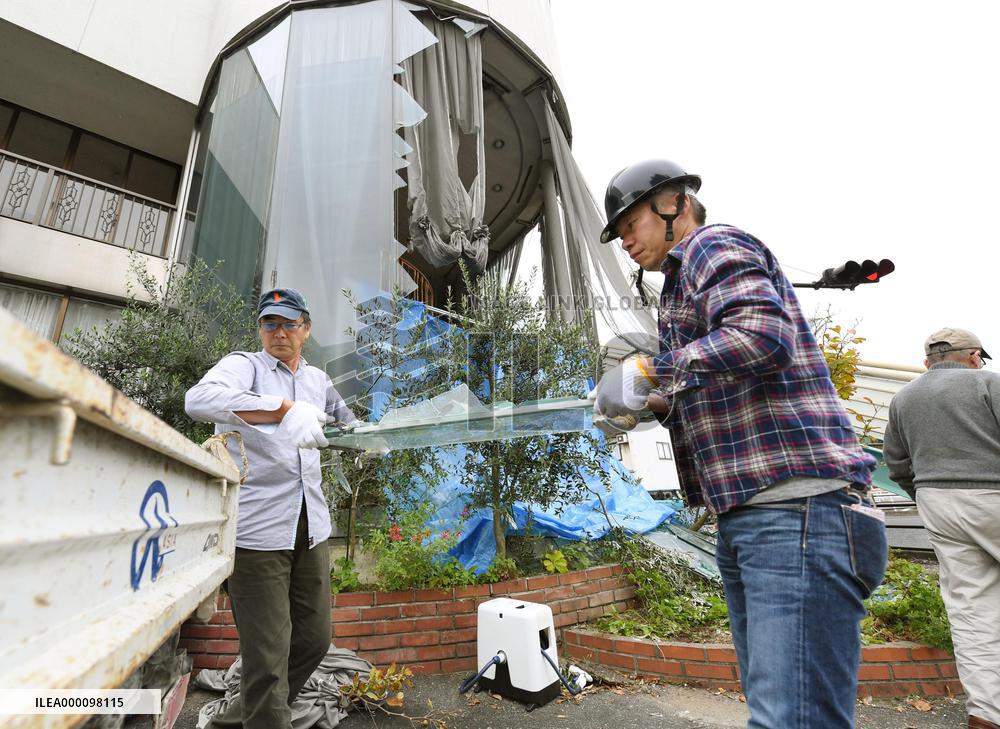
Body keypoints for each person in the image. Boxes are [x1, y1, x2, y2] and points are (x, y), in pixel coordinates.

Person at [590, 160, 887, 728]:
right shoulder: (676, 291)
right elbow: (713, 381)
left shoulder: (711, 246)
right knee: (781, 714)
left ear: (674, 203)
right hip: (757, 516)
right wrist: (645, 402)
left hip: (798, 509)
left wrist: (649, 370)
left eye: (630, 223)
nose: (624, 240)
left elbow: (761, 335)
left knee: (790, 720)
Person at [185, 287, 357, 729]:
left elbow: (346, 422)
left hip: (310, 527)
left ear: (306, 328)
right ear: (261, 328)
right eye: (270, 323)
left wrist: (368, 439)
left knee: (315, 641)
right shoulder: (245, 367)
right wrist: (282, 409)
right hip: (257, 533)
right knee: (266, 655)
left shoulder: (319, 381)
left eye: (289, 323)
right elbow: (198, 400)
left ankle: (240, 713)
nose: (279, 332)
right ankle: (265, 716)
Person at [883, 328, 1000, 729]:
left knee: (972, 609)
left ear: (927, 363)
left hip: (937, 501)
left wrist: (927, 494)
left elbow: (896, 465)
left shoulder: (904, 398)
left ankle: (985, 714)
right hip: (994, 493)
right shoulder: (990, 383)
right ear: (972, 357)